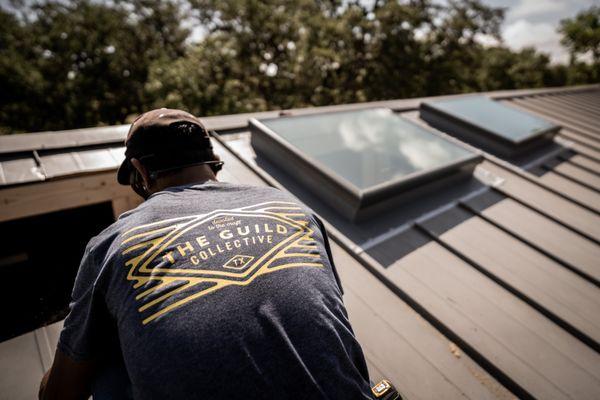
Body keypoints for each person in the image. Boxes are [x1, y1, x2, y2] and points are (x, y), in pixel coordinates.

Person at [39, 108, 372, 399]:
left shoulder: (110, 246)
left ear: (140, 171)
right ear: (212, 160)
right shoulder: (293, 209)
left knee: (105, 352)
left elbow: (61, 394)